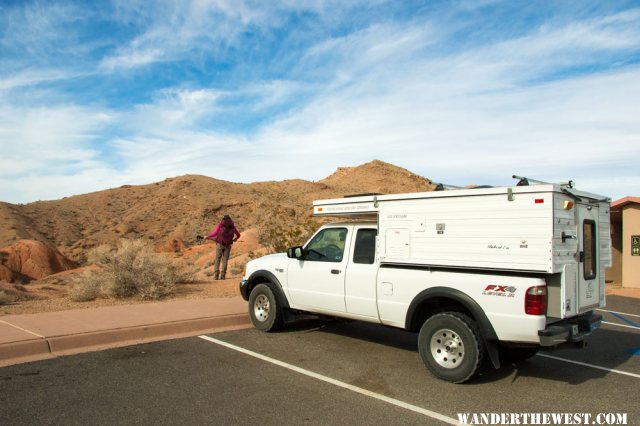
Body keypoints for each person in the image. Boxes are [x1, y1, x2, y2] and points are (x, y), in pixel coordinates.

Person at [206, 214, 241, 280]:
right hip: (228, 245)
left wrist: (208, 236)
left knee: (217, 259)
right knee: (225, 260)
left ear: (223, 219)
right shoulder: (233, 227)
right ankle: (223, 276)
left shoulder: (220, 225)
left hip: (220, 244)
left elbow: (215, 233)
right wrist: (235, 239)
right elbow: (238, 235)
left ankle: (216, 276)